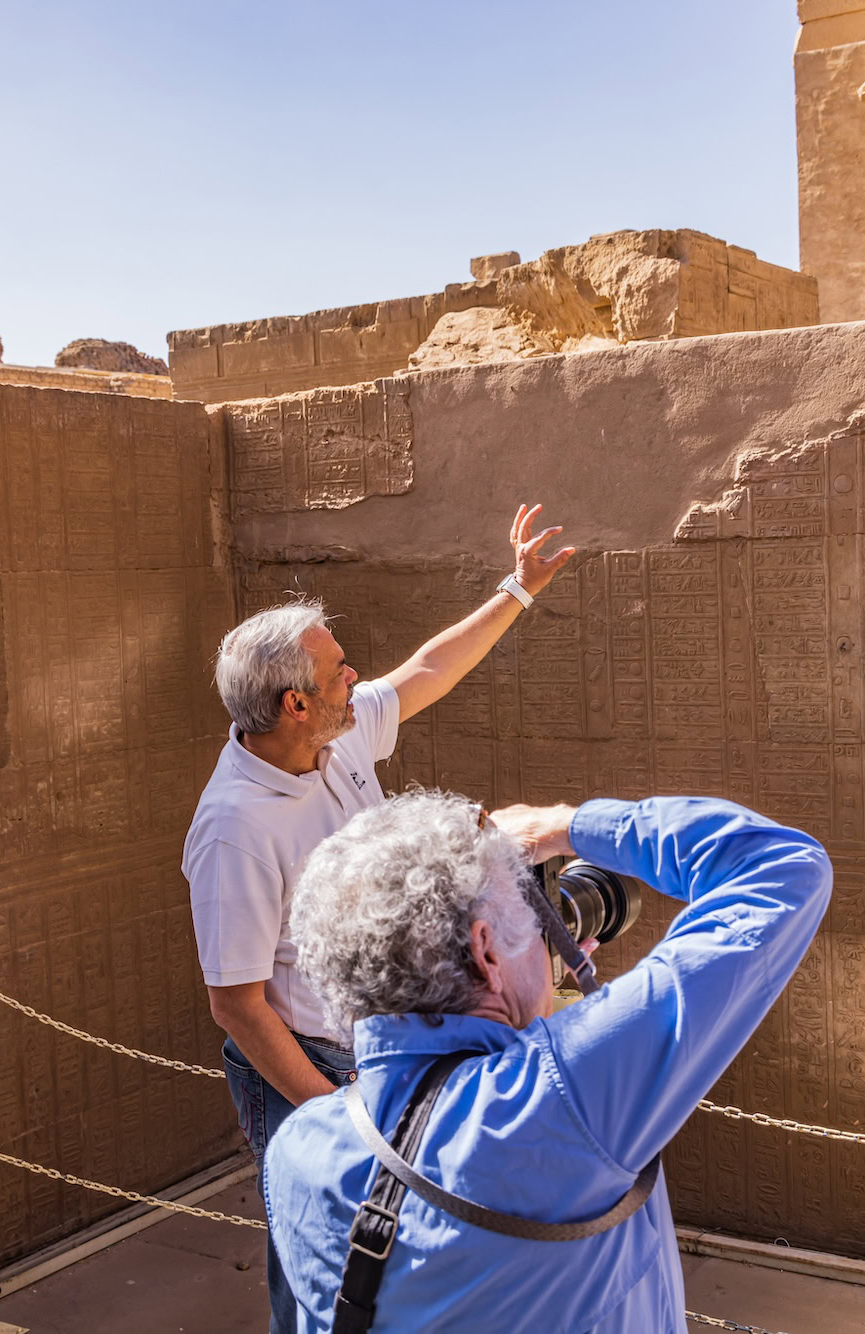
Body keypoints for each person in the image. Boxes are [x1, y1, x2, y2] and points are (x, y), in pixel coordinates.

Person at [184, 504, 575, 1331]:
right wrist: (331, 1106)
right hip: (309, 1063)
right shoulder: (235, 829)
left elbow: (429, 670)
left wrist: (518, 589)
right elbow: (236, 1003)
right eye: (336, 672)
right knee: (319, 1253)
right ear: (295, 704)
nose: (356, 676)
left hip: (383, 1047)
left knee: (396, 1255)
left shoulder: (337, 734)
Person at [263, 790, 831, 1332]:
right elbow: (782, 864)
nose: (549, 940)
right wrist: (559, 826)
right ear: (486, 953)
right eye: (536, 925)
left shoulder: (298, 1149)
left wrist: (529, 1005)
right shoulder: (565, 1096)